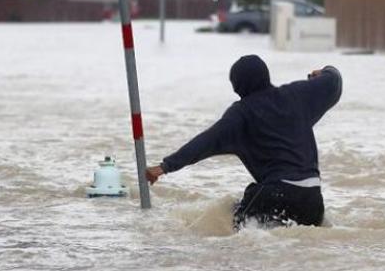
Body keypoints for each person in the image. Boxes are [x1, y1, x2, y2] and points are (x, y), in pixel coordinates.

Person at [145, 55, 342, 229]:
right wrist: (325, 70)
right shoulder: (298, 95)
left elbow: (205, 142)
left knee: (234, 232)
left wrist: (165, 166)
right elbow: (334, 81)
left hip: (275, 194)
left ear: (237, 87)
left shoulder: (241, 115)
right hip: (313, 203)